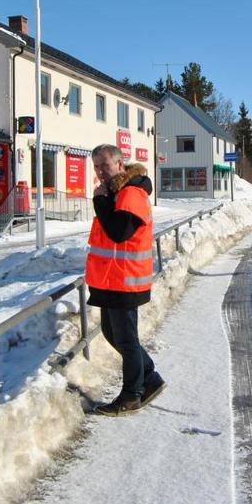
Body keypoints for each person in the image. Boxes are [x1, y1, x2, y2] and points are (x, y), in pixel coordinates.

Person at [86, 144, 166, 416]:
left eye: (104, 166)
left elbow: (119, 232)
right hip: (112, 279)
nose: (100, 172)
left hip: (125, 279)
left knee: (126, 339)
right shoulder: (118, 192)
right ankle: (149, 378)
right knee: (112, 333)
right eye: (96, 166)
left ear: (119, 165)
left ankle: (132, 394)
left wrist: (99, 202)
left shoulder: (131, 192)